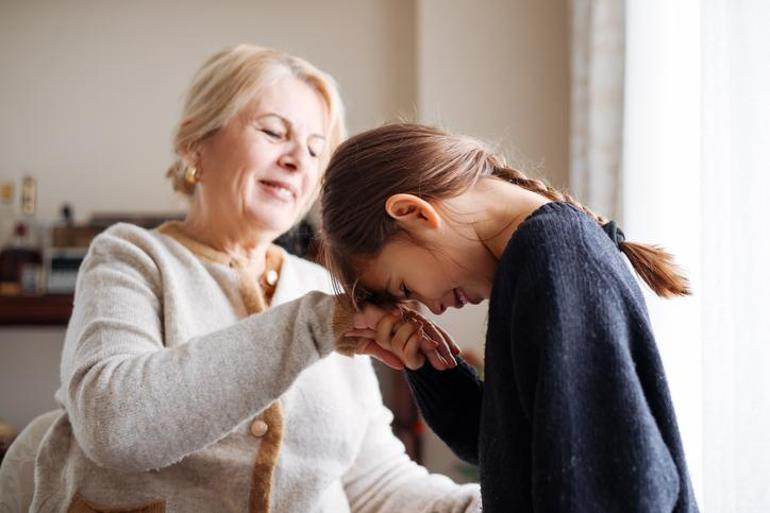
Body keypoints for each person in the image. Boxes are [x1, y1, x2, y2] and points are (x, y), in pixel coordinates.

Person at [0, 48, 478, 513]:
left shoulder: (325, 287)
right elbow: (114, 428)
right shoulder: (130, 257)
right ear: (195, 144)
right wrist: (316, 326)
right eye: (273, 132)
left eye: (316, 149)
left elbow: (375, 485)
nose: (299, 159)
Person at [320, 122, 701, 512]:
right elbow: (510, 452)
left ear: (413, 212)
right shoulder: (533, 260)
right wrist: (429, 367)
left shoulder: (556, 256)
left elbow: (612, 484)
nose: (432, 308)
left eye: (404, 288)